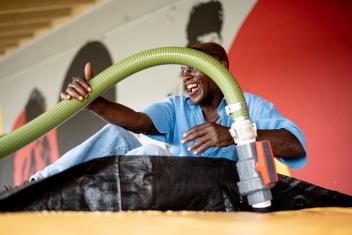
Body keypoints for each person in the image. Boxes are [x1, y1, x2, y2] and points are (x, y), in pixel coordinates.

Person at [30, 42, 306, 180]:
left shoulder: (248, 106)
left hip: (215, 191)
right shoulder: (177, 107)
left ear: (220, 66)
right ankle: (36, 185)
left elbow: (294, 145)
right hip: (172, 181)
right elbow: (137, 122)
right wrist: (92, 101)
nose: (186, 77)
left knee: (154, 153)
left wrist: (234, 134)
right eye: (182, 71)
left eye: (193, 67)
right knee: (117, 135)